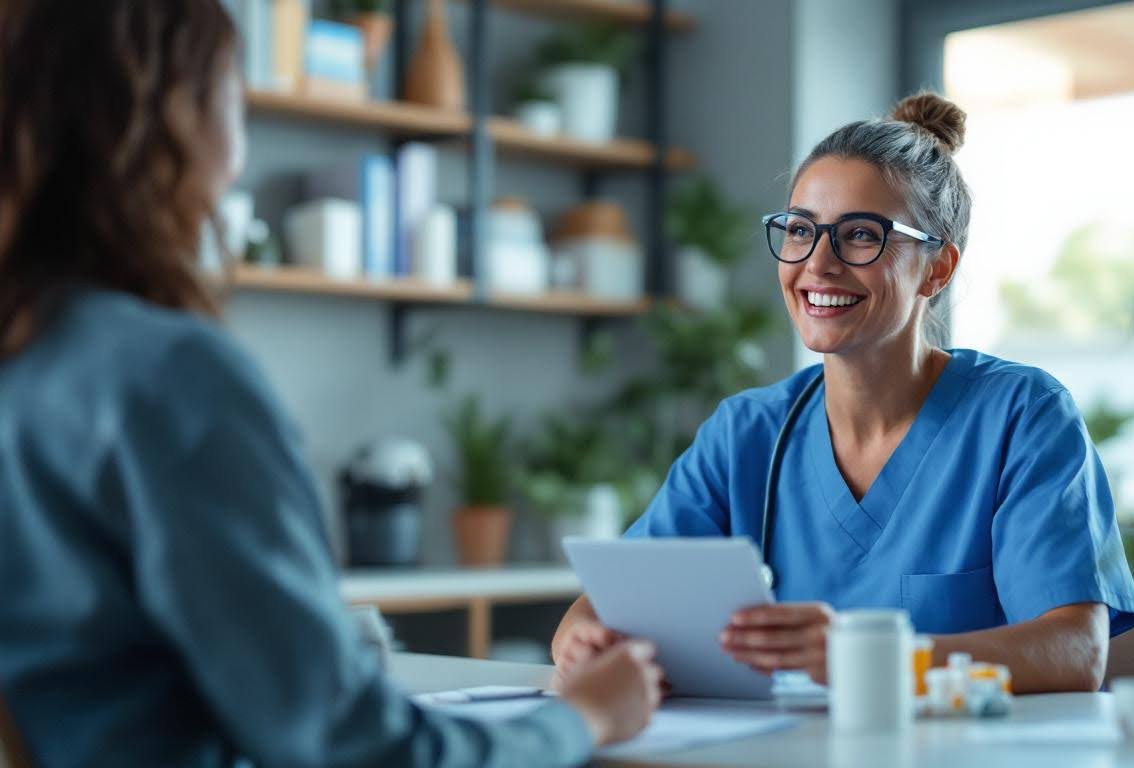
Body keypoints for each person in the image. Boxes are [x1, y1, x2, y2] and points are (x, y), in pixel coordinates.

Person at [0, 2, 660, 766]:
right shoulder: (167, 375)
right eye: (232, 101)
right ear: (172, 125)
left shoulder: (32, 355)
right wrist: (584, 718)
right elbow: (357, 749)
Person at [553, 93, 1134, 693]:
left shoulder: (1020, 417)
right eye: (800, 231)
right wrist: (581, 639)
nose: (819, 263)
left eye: (861, 236)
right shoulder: (746, 432)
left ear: (936, 269)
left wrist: (867, 657)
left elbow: (1075, 650)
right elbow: (602, 605)